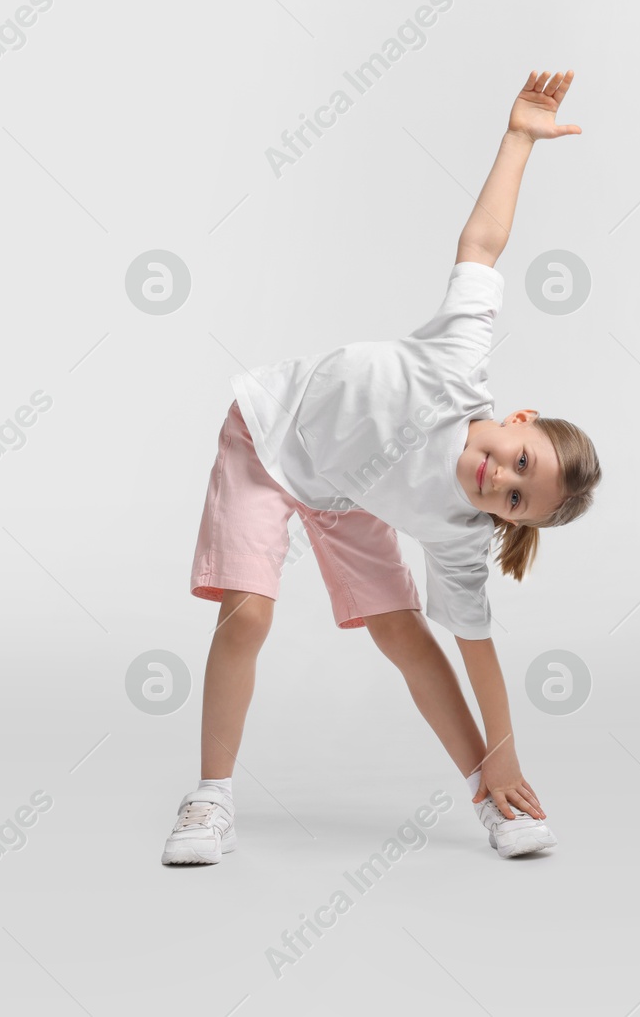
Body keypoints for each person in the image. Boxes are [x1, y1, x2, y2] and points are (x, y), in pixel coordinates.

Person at [164, 70, 601, 864]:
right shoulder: (459, 362)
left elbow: (478, 647)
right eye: (519, 460)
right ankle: (210, 798)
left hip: (342, 490)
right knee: (249, 613)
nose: (498, 479)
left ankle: (492, 795)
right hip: (268, 437)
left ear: (507, 520)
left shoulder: (460, 529)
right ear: (520, 419)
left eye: (514, 499)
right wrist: (519, 139)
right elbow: (482, 243)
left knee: (405, 634)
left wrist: (503, 751)